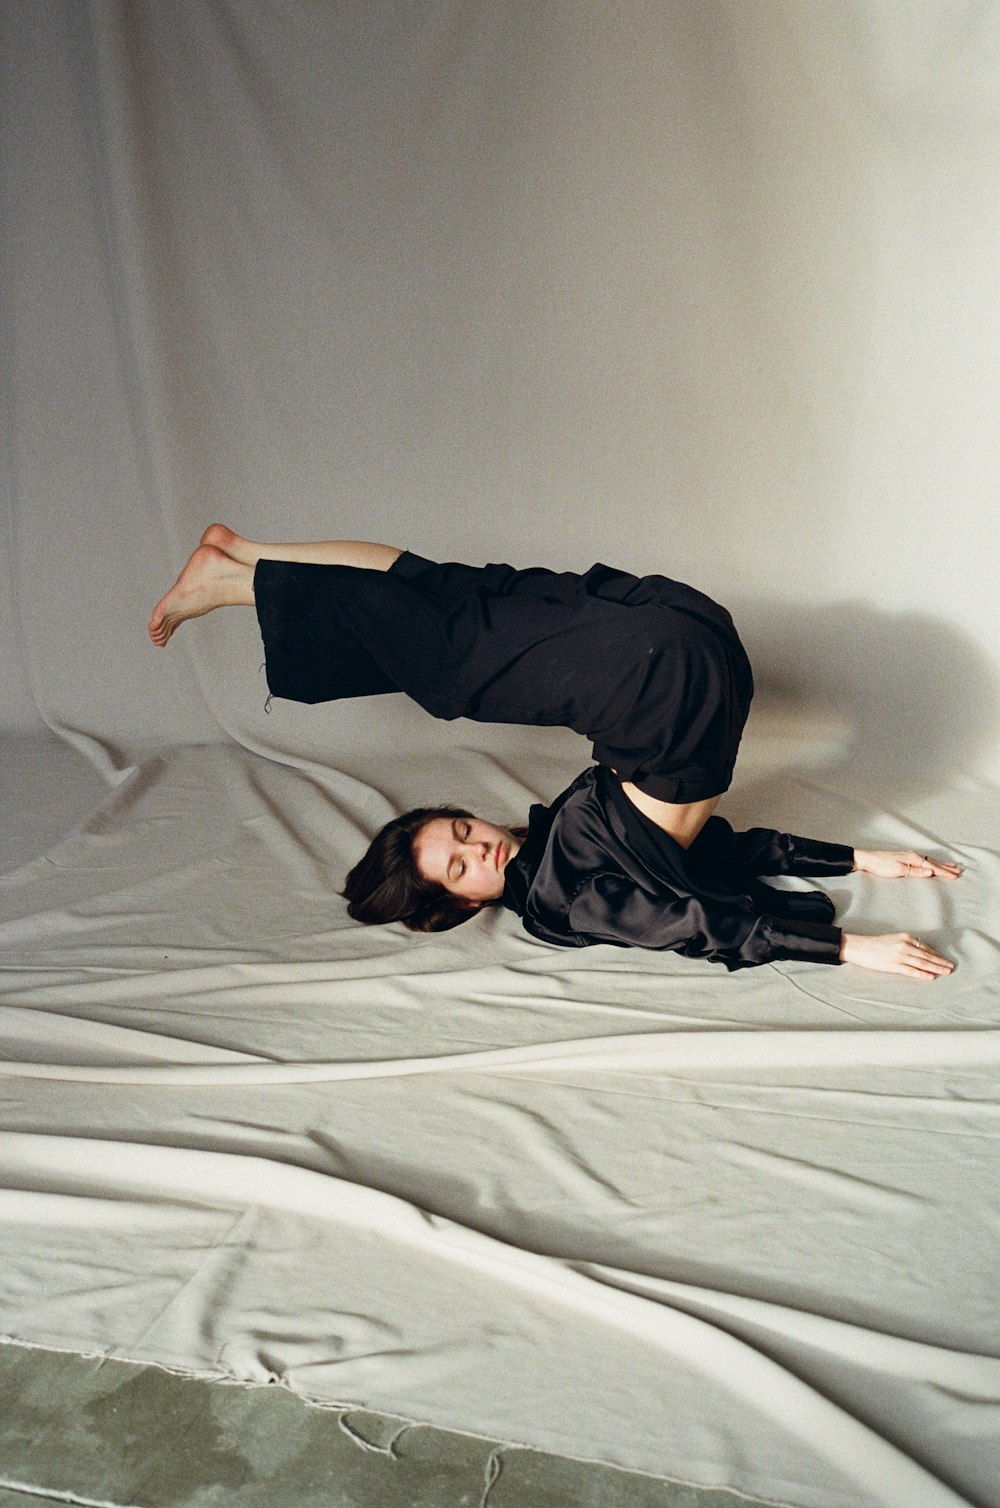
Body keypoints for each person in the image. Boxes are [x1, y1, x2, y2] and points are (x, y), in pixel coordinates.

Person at [150, 526, 961, 980]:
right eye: (463, 867)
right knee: (450, 649)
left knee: (444, 592)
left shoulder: (548, 849)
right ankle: (231, 577)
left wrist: (860, 859)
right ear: (460, 907)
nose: (481, 845)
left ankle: (244, 556)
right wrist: (853, 946)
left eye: (462, 832)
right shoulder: (561, 901)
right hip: (664, 679)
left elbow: (718, 850)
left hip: (672, 651)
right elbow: (696, 919)